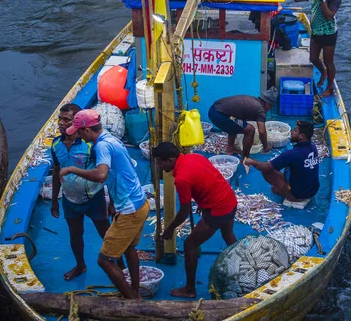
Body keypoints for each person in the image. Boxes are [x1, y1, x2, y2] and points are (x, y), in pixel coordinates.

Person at [59, 109, 149, 299]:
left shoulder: (101, 147)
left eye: (80, 132)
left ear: (87, 130)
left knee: (105, 260)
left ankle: (131, 300)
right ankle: (135, 291)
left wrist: (72, 169)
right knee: (129, 248)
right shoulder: (112, 138)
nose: (80, 137)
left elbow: (101, 175)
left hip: (129, 210)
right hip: (140, 202)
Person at [153, 142, 238, 298]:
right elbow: (208, 179)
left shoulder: (181, 179)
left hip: (218, 210)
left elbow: (185, 211)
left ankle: (190, 289)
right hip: (230, 200)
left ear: (170, 160)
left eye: (160, 162)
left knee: (190, 244)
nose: (159, 165)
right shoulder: (194, 157)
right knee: (228, 235)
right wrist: (203, 203)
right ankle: (242, 267)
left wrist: (170, 228)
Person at [50, 103, 113, 281]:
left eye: (66, 120)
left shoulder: (90, 145)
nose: (61, 123)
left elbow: (106, 173)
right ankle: (80, 265)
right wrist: (55, 199)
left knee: (106, 234)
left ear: (77, 122)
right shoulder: (56, 144)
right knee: (75, 234)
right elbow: (56, 171)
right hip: (70, 199)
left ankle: (120, 265)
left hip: (94, 198)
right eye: (60, 119)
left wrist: (113, 203)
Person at [287, 0, 342, 98]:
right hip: (316, 31)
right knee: (313, 58)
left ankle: (329, 88)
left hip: (328, 33)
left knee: (329, 61)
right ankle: (323, 72)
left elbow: (329, 16)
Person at [244, 120, 320, 202]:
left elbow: (266, 167)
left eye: (295, 131)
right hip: (313, 191)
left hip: (298, 195)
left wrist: (252, 162)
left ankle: (286, 193)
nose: (291, 132)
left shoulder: (292, 154)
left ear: (301, 136)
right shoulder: (313, 146)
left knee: (266, 170)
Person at [207, 88, 278, 159]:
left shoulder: (253, 100)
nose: (270, 109)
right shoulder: (260, 110)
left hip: (214, 109)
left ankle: (231, 148)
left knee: (236, 123)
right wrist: (266, 146)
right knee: (250, 130)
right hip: (219, 115)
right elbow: (262, 132)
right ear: (266, 103)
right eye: (271, 106)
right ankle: (245, 158)